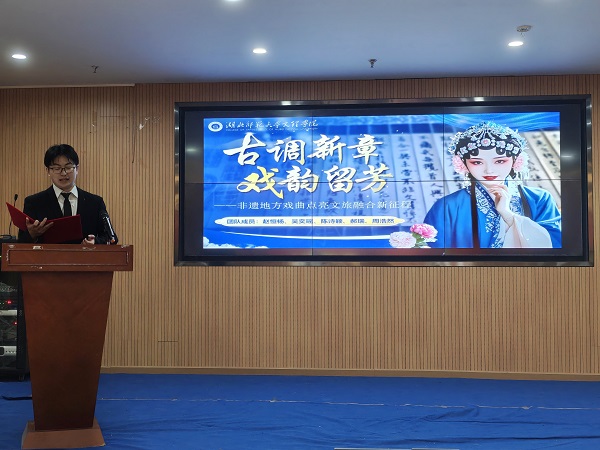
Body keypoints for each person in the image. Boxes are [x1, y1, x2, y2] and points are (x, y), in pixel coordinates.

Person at [423, 121, 561, 248]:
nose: (489, 170)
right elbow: (432, 254)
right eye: (477, 162)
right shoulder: (447, 206)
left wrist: (509, 216)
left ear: (516, 161)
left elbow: (554, 244)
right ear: (463, 164)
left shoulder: (539, 199)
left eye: (500, 161)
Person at [18, 144, 114, 245]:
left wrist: (95, 242)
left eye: (68, 167)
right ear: (48, 171)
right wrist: (32, 234)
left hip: (84, 255)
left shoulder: (95, 203)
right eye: (57, 168)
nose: (63, 173)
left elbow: (111, 238)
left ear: (77, 169)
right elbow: (21, 242)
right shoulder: (34, 203)